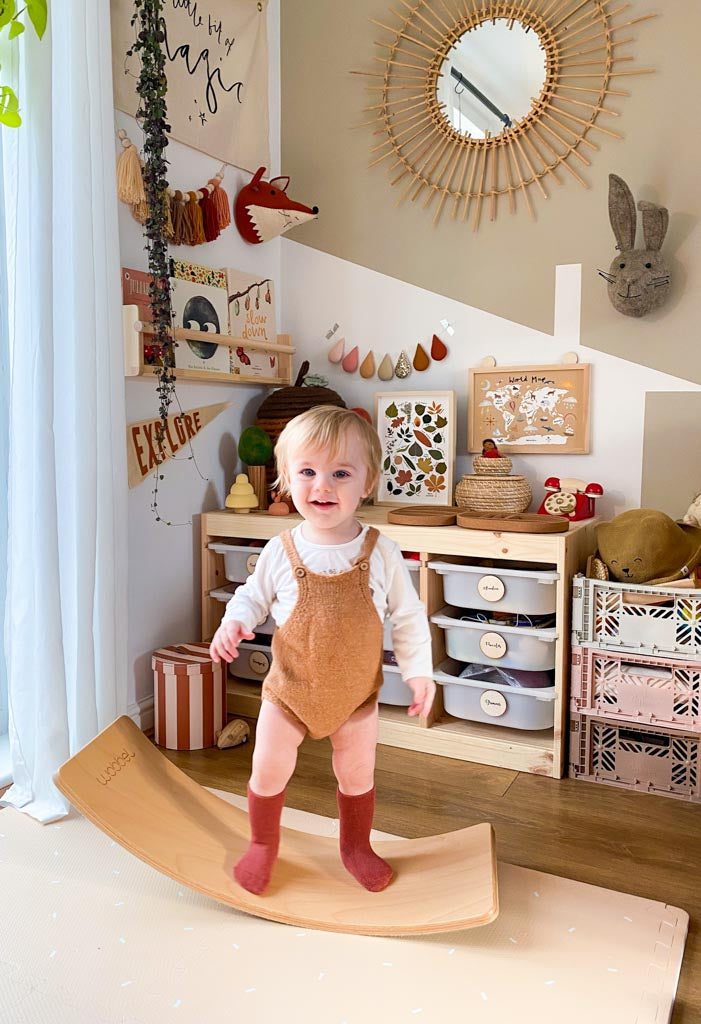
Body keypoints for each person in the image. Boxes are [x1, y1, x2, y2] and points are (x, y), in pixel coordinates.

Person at [209, 405, 435, 896]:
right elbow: (251, 596)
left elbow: (410, 615)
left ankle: (356, 847)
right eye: (307, 472)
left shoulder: (382, 552)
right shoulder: (281, 549)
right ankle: (263, 844)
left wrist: (420, 673)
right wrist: (233, 623)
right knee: (268, 768)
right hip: (289, 691)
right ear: (286, 479)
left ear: (368, 481)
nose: (322, 487)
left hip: (354, 696)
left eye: (340, 474)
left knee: (356, 774)